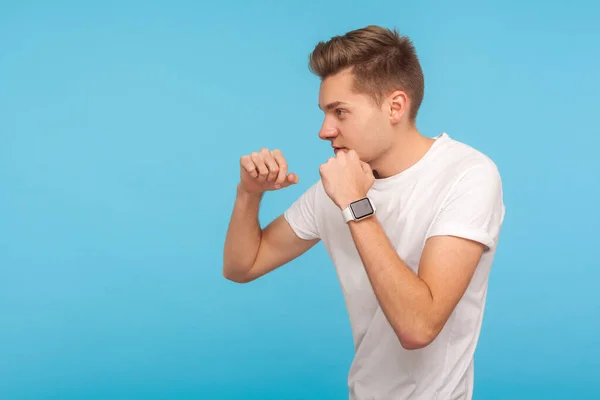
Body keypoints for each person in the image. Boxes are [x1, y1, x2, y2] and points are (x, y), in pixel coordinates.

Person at [222, 25, 505, 400]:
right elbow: (242, 266)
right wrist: (249, 194)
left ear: (395, 106)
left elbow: (418, 328)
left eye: (340, 112)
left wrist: (356, 207)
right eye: (325, 112)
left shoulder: (467, 175)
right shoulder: (337, 187)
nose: (324, 130)